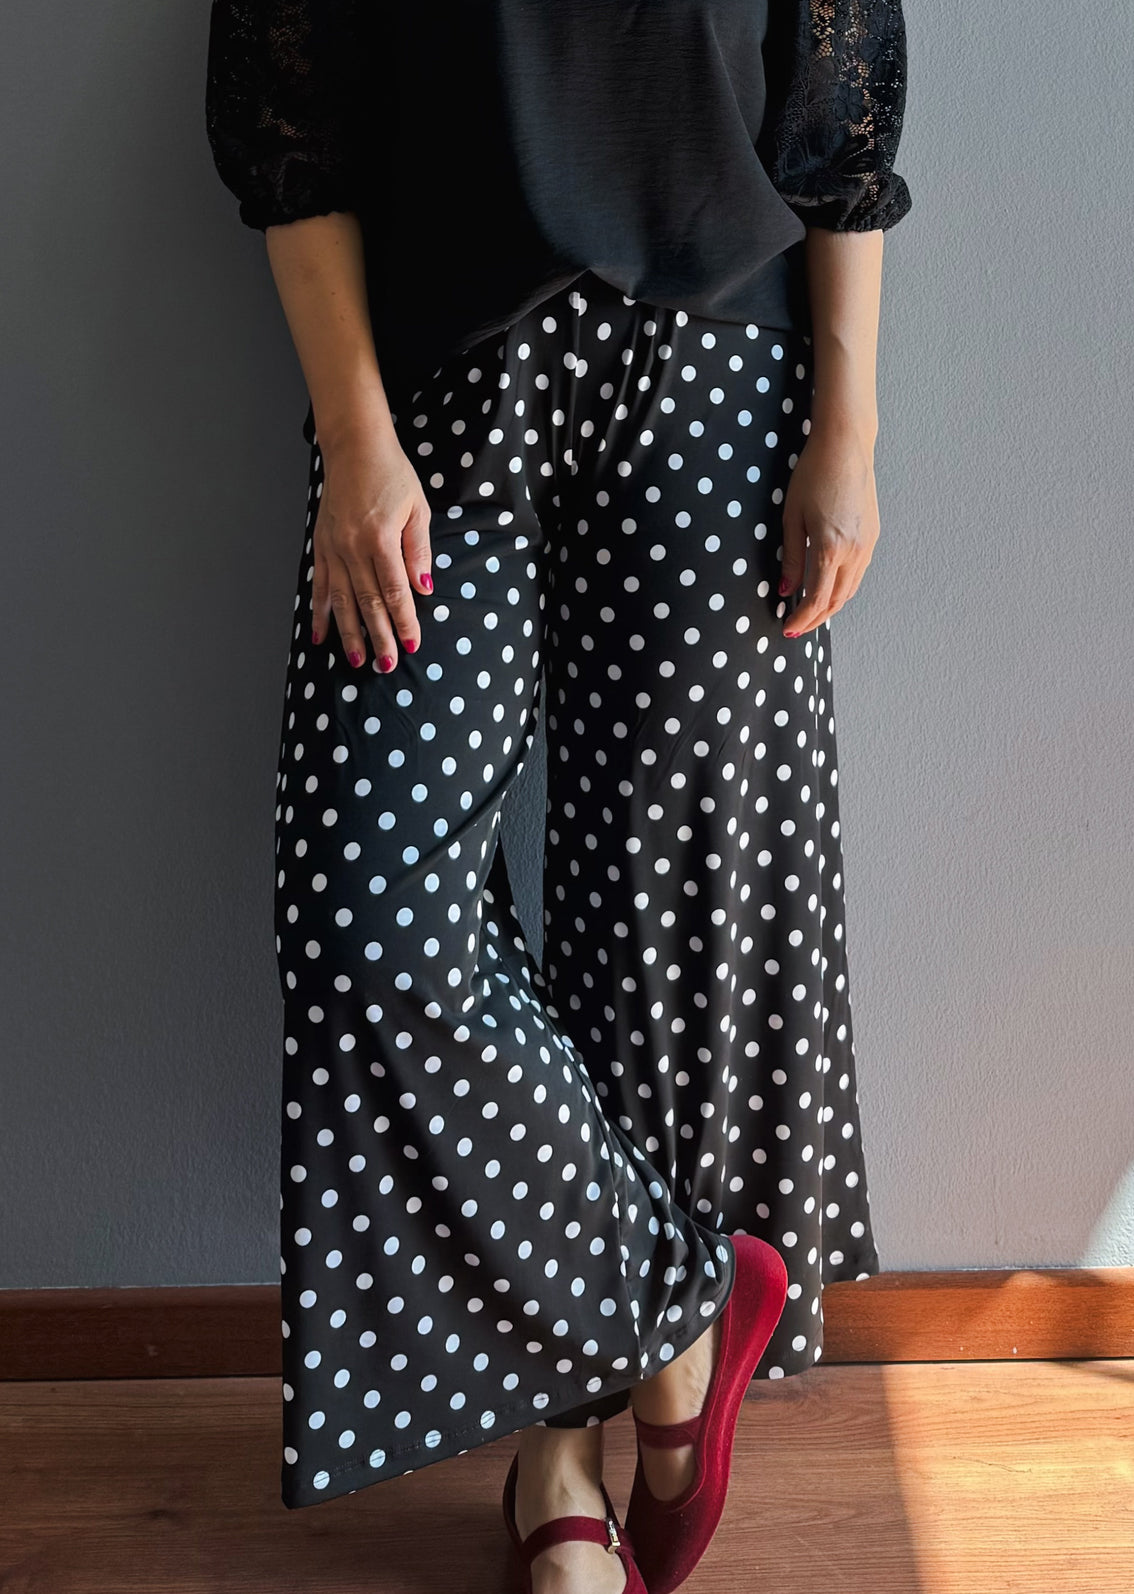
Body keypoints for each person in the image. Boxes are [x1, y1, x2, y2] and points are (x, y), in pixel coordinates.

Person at [205, 2, 913, 1588]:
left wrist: (848, 426)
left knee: (672, 913)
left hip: (720, 367)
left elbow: (840, 103)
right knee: (366, 915)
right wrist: (353, 432)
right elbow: (283, 117)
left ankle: (562, 1449)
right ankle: (672, 1315)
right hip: (428, 380)